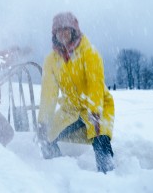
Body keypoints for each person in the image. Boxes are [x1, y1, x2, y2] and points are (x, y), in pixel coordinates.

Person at [37, 12, 115, 173]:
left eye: (67, 30)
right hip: (71, 109)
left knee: (100, 138)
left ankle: (108, 177)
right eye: (59, 31)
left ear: (74, 31)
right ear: (54, 34)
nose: (63, 34)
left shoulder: (89, 52)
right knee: (45, 138)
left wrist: (95, 111)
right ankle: (59, 172)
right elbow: (48, 94)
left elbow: (95, 84)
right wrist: (43, 121)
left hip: (97, 106)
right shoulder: (51, 60)